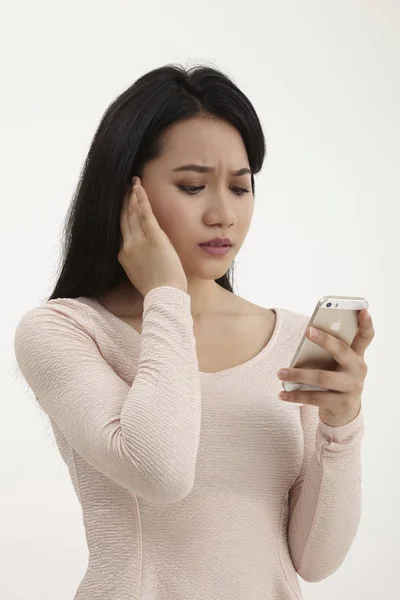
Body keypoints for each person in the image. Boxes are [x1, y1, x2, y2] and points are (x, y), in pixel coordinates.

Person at [14, 63, 365, 600]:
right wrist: (166, 298)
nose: (223, 214)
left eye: (241, 188)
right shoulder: (65, 332)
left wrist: (341, 428)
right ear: (126, 190)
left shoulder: (296, 341)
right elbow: (160, 473)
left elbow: (315, 560)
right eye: (193, 186)